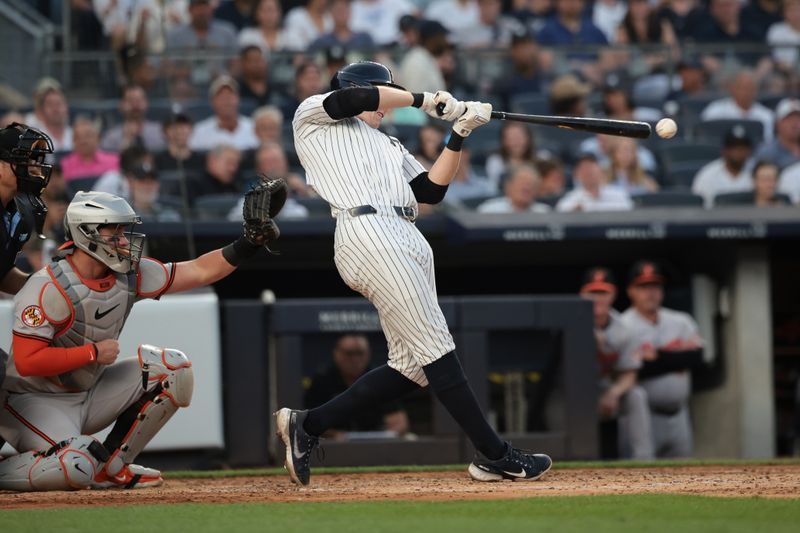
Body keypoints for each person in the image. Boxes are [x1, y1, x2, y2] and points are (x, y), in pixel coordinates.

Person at [278, 61, 552, 486]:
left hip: (405, 233)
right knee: (437, 347)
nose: (387, 106)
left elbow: (430, 192)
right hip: (366, 229)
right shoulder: (314, 114)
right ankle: (495, 455)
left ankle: (308, 424)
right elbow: (358, 99)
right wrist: (425, 99)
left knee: (413, 367)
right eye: (386, 94)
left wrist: (459, 132)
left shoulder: (387, 144)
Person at [0, 184, 283, 491]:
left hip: (87, 392)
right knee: (76, 467)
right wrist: (92, 353)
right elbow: (26, 362)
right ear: (86, 233)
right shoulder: (47, 286)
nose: (123, 241)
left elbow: (199, 271)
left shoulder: (129, 273)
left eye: (123, 232)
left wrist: (247, 243)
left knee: (174, 368)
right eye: (114, 233)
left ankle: (112, 466)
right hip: (33, 401)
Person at [0, 123, 54, 426]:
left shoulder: (17, 213)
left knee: (11, 385)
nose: (34, 168)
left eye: (35, 160)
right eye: (24, 160)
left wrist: (46, 284)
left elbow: (2, 272)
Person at [621, 261, 704, 458]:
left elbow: (697, 358)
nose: (650, 292)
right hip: (642, 418)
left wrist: (658, 356)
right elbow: (636, 369)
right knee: (637, 479)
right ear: (630, 291)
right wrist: (677, 356)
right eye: (643, 287)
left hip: (680, 415)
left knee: (684, 479)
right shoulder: (624, 325)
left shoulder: (681, 321)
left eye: (655, 286)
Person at [579, 267, 653, 460]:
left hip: (603, 390)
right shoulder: (570, 322)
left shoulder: (624, 328)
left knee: (637, 395)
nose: (598, 298)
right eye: (593, 292)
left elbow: (630, 373)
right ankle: (562, 464)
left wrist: (613, 392)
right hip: (571, 394)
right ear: (582, 294)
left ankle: (644, 459)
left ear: (613, 294)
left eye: (603, 292)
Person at [305, 334, 409, 438]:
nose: (355, 359)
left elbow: (399, 422)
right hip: (333, 446)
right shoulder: (322, 380)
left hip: (375, 444)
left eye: (360, 353)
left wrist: (385, 436)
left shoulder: (381, 379)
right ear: (336, 353)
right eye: (349, 354)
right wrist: (335, 435)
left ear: (368, 353)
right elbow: (309, 422)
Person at [700, 70, 775, 142]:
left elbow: (767, 142)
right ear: (732, 88)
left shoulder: (766, 115)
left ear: (756, 91)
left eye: (749, 88)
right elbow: (705, 138)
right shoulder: (715, 110)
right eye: (741, 87)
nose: (745, 92)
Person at [189, 75, 259, 151]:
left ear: (238, 99)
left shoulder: (255, 128)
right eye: (221, 97)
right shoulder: (200, 132)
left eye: (230, 96)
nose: (226, 101)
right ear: (212, 102)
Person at [692, 126, 754, 208]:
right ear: (724, 150)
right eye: (733, 147)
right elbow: (699, 209)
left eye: (742, 147)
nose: (738, 151)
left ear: (749, 151)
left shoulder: (758, 173)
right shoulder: (707, 175)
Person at [556, 154, 633, 212]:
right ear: (576, 175)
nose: (588, 171)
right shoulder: (569, 201)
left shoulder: (618, 195)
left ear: (601, 171)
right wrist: (574, 215)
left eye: (591, 167)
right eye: (583, 169)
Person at [101, 85, 166, 153]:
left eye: (139, 100)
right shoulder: (111, 136)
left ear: (147, 103)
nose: (135, 105)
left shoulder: (161, 132)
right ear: (121, 105)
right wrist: (126, 141)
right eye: (130, 101)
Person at [491, 29, 545, 111]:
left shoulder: (545, 78)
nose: (525, 51)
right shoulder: (504, 83)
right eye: (519, 47)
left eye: (527, 45)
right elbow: (499, 115)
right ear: (512, 51)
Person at [60, 118, 120, 182]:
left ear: (98, 138)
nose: (83, 141)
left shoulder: (115, 161)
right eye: (78, 137)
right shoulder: (65, 165)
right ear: (73, 141)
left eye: (88, 135)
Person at [398, 20, 449, 94]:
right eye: (442, 37)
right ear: (431, 39)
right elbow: (416, 100)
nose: (445, 41)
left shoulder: (425, 58)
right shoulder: (416, 62)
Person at [166, 0, 238, 51]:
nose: (202, 12)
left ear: (211, 9)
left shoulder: (227, 31)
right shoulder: (174, 34)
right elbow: (167, 64)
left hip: (221, 72)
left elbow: (236, 62)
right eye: (198, 7)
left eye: (205, 7)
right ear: (189, 10)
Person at [477, 164, 551, 213]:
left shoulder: (545, 212)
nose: (527, 187)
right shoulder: (489, 210)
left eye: (532, 184)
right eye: (522, 182)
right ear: (508, 186)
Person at [485, 122, 539, 189]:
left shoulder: (542, 158)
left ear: (528, 138)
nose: (516, 142)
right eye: (511, 138)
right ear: (504, 141)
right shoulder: (496, 161)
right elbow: (496, 187)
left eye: (519, 137)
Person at [25, 78, 73, 152]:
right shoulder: (32, 132)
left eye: (59, 104)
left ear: (66, 107)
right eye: (50, 105)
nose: (55, 109)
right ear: (42, 109)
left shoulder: (74, 134)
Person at [309, 0, 374, 52]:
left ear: (350, 12)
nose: (341, 14)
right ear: (331, 13)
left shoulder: (364, 38)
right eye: (338, 10)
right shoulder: (322, 42)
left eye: (344, 10)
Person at [537, 0, 608, 47]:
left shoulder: (594, 31)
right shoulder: (547, 31)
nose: (571, 3)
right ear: (558, 3)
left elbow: (607, 54)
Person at [754, 98, 800, 171]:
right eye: (789, 118)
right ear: (777, 123)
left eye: (798, 118)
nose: (794, 123)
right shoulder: (767, 152)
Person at [458, 0, 525, 48]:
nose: (489, 8)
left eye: (492, 4)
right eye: (485, 4)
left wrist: (506, 46)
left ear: (499, 5)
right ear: (478, 5)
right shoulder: (467, 32)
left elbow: (525, 44)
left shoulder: (512, 26)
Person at [350, 0, 415, 47]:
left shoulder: (395, 2)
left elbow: (415, 16)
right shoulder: (353, 7)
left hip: (396, 49)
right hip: (364, 50)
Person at [767, 0, 800, 73]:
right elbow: (774, 58)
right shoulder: (776, 30)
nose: (796, 14)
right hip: (782, 74)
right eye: (791, 10)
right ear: (784, 13)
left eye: (798, 9)